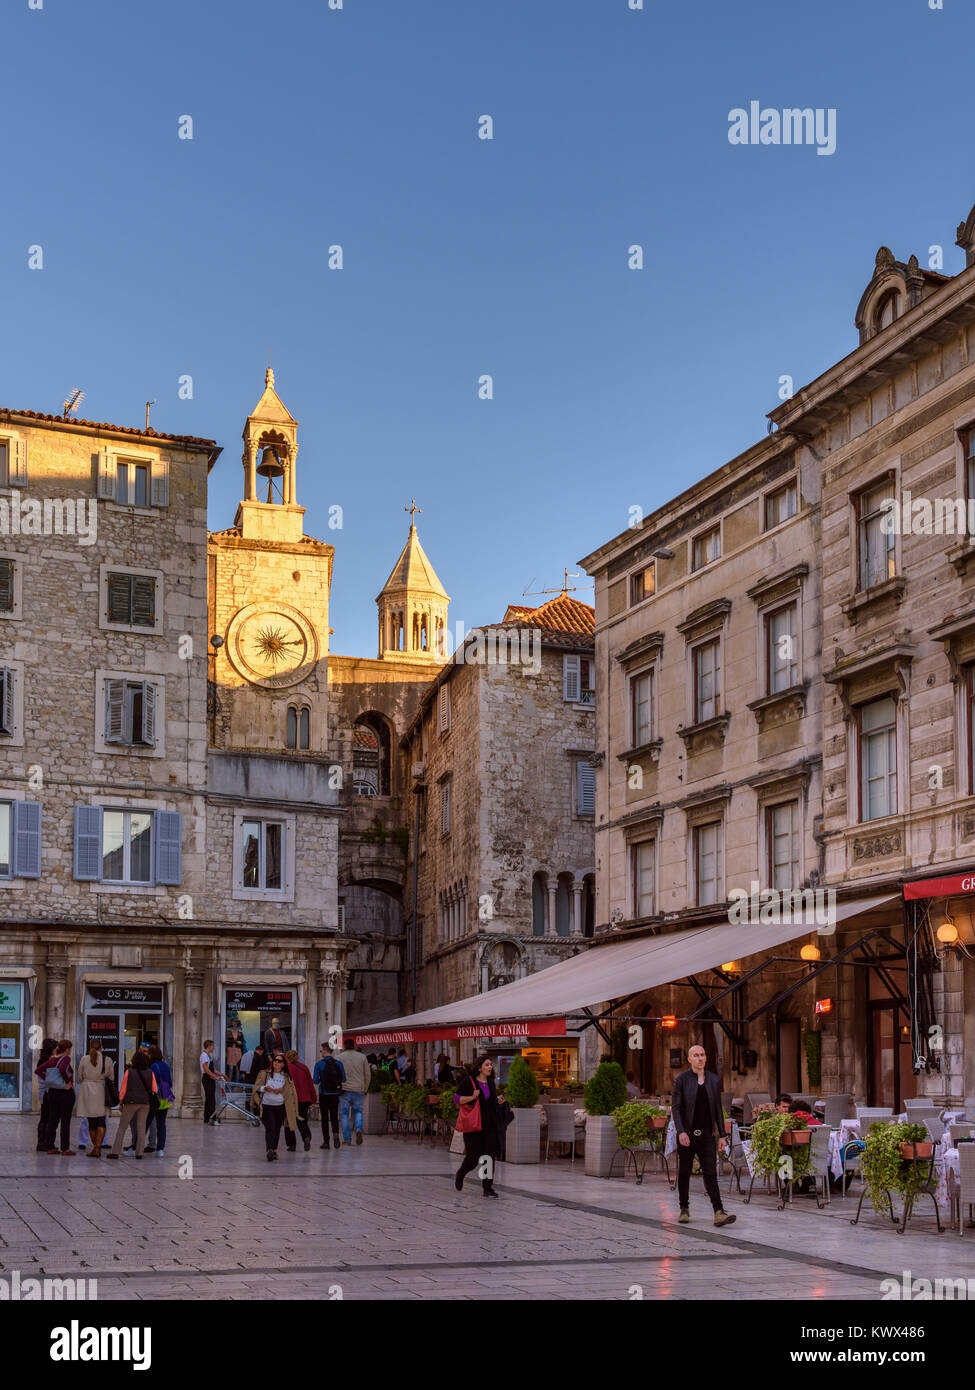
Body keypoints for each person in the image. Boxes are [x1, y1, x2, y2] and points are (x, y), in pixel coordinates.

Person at [671, 1044, 736, 1227]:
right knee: (684, 1172)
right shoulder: (682, 1079)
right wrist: (681, 1131)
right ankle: (684, 1208)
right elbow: (676, 1108)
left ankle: (719, 1212)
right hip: (687, 1134)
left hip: (707, 1134)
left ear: (706, 1058)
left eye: (702, 1054)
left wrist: (722, 1135)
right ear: (690, 1059)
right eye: (696, 1055)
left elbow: (717, 1109)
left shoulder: (714, 1080)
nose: (700, 1058)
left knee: (710, 1173)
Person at [454, 1055, 502, 1198]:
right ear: (480, 1067)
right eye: (487, 1065)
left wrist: (500, 1101)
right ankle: (461, 1173)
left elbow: (492, 1102)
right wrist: (472, 1097)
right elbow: (457, 1099)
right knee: (473, 1157)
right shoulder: (468, 1082)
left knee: (488, 1157)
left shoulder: (491, 1083)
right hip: (474, 1126)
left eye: (490, 1065)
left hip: (489, 1126)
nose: (490, 1067)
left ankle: (487, 1188)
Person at [106, 1051, 158, 1160]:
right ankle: (139, 1153)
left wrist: (121, 1102)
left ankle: (115, 1151)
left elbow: (123, 1089)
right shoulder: (150, 1072)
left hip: (130, 1102)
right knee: (141, 1127)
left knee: (122, 1127)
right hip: (145, 1103)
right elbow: (154, 1089)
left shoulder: (129, 1072)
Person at [251, 1054, 298, 1161]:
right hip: (267, 1106)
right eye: (275, 1060)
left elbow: (290, 1091)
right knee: (270, 1128)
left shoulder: (286, 1077)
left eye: (279, 1061)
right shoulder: (265, 1074)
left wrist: (281, 1090)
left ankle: (274, 1149)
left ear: (283, 1064)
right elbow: (256, 1087)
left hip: (280, 1106)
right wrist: (264, 1088)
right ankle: (270, 1150)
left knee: (277, 1128)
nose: (276, 1062)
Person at [76, 1041, 114, 1158]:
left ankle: (95, 1148)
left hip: (87, 1090)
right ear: (101, 1047)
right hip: (101, 1090)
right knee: (101, 1120)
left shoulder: (84, 1059)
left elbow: (79, 1076)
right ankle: (98, 1147)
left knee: (91, 1121)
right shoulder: (107, 1059)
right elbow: (111, 1077)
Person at [38, 1040, 75, 1155]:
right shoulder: (65, 1058)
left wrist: (49, 1080)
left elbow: (38, 1070)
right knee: (65, 1121)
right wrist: (67, 1082)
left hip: (52, 1093)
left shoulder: (52, 1059)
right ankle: (65, 1148)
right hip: (64, 1093)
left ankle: (50, 1146)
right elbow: (63, 1069)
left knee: (52, 1120)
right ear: (67, 1049)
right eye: (70, 1049)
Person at [334, 1038, 370, 1145]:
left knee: (344, 1114)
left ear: (344, 1046)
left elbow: (335, 1074)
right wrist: (365, 1088)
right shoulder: (362, 1057)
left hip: (344, 1090)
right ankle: (358, 1129)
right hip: (359, 1089)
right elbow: (367, 1074)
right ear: (354, 1046)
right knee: (358, 1112)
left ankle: (347, 1139)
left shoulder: (338, 1058)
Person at [313, 1043, 345, 1149]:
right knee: (334, 1116)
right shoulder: (339, 1063)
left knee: (325, 1118)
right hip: (335, 1094)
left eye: (321, 1050)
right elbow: (343, 1079)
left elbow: (316, 1081)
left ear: (324, 1050)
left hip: (324, 1094)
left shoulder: (319, 1064)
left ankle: (326, 1141)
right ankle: (336, 1135)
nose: (321, 1052)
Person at [283, 1049, 315, 1152]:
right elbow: (310, 1084)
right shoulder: (304, 1067)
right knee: (302, 1120)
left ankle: (291, 1145)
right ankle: (306, 1137)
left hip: (291, 1099)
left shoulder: (286, 1068)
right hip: (304, 1099)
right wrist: (313, 1098)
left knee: (289, 1121)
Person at [148, 1045, 174, 1157]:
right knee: (161, 1123)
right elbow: (170, 1082)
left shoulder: (153, 1066)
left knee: (147, 1122)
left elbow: (151, 1082)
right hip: (166, 1096)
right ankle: (160, 1149)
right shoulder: (165, 1065)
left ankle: (136, 1146)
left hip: (156, 1098)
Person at [34, 1037, 58, 1152]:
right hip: (45, 1092)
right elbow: (39, 1073)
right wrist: (51, 1080)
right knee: (45, 1118)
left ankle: (45, 1142)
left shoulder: (47, 1059)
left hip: (47, 1091)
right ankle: (42, 1142)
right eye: (55, 1048)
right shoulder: (44, 1061)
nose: (56, 1049)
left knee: (47, 1118)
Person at [200, 1039, 226, 1125]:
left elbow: (212, 1069)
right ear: (209, 1046)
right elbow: (206, 1069)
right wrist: (214, 1076)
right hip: (207, 1079)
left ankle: (207, 1118)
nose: (214, 1048)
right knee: (211, 1099)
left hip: (209, 1078)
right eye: (213, 1046)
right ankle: (212, 1118)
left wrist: (221, 1074)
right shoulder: (204, 1056)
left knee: (209, 1099)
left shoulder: (208, 1056)